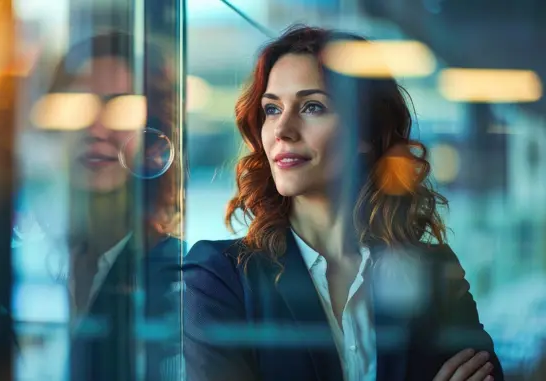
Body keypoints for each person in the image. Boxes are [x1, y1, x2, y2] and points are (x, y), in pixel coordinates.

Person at [183, 25, 503, 381]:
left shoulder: (433, 272)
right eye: (272, 109)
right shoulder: (218, 276)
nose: (282, 130)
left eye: (312, 106)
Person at [28, 31, 181, 381]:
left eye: (120, 107)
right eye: (77, 106)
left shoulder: (179, 276)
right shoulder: (31, 259)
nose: (96, 128)